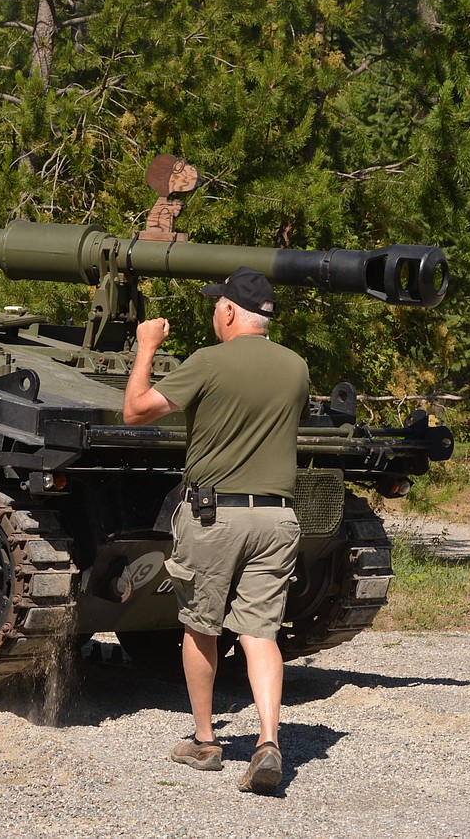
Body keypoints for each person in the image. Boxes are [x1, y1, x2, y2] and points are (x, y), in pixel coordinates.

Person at [122, 266, 309, 796]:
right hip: (277, 517)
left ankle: (205, 742)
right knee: (260, 633)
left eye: (215, 305)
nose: (213, 313)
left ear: (228, 311)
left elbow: (135, 411)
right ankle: (268, 742)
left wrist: (145, 348)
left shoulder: (208, 362)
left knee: (202, 625)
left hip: (215, 516)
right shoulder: (297, 367)